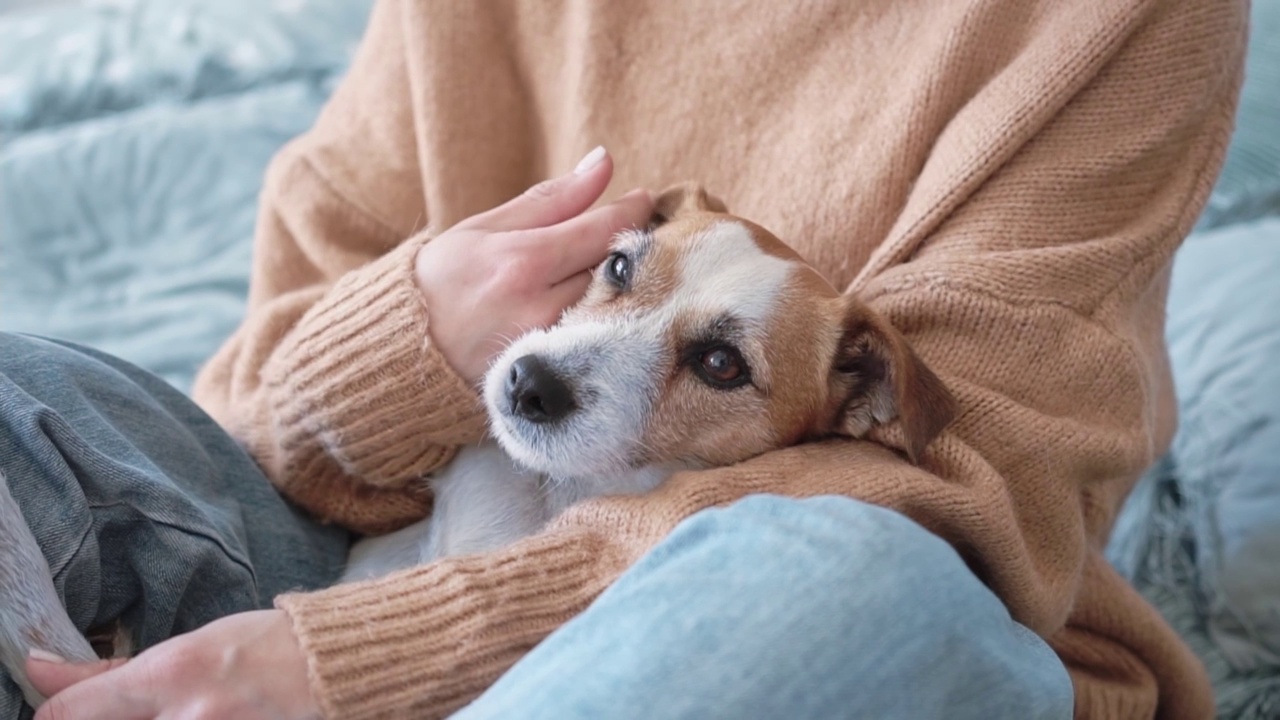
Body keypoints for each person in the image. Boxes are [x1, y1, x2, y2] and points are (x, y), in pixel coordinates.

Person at [0, 0, 1246, 717]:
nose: (567, 365)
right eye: (615, 274)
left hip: (751, 620)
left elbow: (974, 491)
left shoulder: (1119, 23)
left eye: (712, 368)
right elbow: (240, 425)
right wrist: (413, 334)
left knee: (852, 574)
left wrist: (374, 661)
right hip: (351, 559)